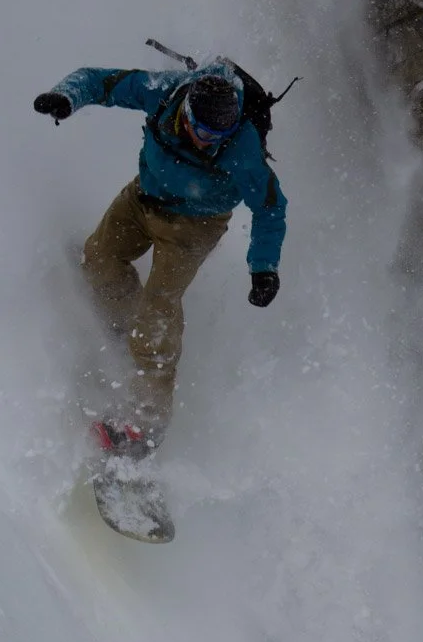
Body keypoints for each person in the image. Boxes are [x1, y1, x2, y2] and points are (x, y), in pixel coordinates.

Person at [34, 57, 287, 454]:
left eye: (219, 134)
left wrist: (263, 267)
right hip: (144, 198)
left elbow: (270, 207)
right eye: (203, 130)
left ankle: (146, 424)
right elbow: (103, 82)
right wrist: (67, 97)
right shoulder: (165, 91)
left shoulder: (243, 146)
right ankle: (123, 331)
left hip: (194, 226)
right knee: (99, 260)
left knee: (158, 310)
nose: (208, 140)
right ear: (187, 111)